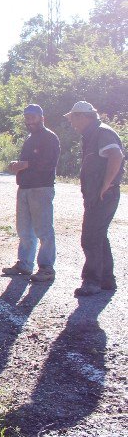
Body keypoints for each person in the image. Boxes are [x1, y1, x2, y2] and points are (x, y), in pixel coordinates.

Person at [65, 101, 124, 296]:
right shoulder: (93, 133)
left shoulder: (101, 132)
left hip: (104, 195)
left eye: (73, 118)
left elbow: (116, 155)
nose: (72, 123)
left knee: (90, 238)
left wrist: (106, 184)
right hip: (98, 195)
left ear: (82, 116)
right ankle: (107, 281)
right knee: (98, 237)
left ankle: (92, 282)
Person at [1, 104, 60, 282]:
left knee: (43, 229)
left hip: (41, 187)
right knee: (24, 229)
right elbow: (29, 161)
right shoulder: (30, 138)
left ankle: (46, 268)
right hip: (25, 187)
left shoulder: (50, 137)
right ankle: (25, 264)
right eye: (27, 117)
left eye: (33, 117)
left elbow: (49, 162)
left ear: (42, 118)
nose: (30, 120)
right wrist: (17, 164)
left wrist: (25, 164)